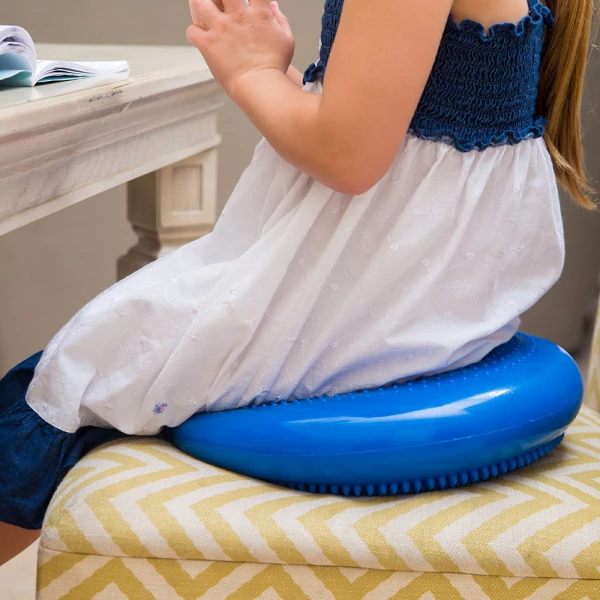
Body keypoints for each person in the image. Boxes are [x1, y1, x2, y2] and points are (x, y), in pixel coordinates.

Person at [0, 0, 595, 565]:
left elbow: (347, 155)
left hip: (389, 304)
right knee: (111, 349)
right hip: (431, 296)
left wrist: (250, 73)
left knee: (73, 376)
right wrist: (269, 68)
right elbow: (390, 127)